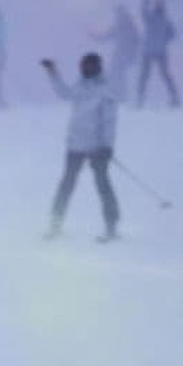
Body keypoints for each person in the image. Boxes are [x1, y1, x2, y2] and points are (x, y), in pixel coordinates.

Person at [41, 53, 120, 242]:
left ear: (97, 67)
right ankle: (55, 224)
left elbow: (109, 122)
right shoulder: (80, 85)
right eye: (82, 66)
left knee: (103, 186)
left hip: (97, 148)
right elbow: (64, 94)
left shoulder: (105, 90)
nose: (84, 69)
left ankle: (111, 226)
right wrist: (53, 73)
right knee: (66, 185)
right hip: (75, 145)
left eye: (88, 66)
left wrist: (107, 146)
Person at [136, 0, 180, 107]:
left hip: (155, 50)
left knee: (158, 75)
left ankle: (174, 97)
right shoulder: (154, 18)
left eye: (161, 5)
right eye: (159, 5)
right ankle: (140, 98)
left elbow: (172, 34)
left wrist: (164, 41)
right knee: (147, 75)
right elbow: (143, 9)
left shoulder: (163, 20)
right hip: (152, 50)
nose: (160, 7)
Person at [90, 3, 140, 102]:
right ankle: (117, 95)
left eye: (117, 14)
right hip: (119, 55)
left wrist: (133, 56)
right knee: (116, 75)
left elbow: (137, 42)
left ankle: (120, 96)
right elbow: (105, 36)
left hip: (123, 56)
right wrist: (94, 35)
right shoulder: (123, 26)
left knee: (118, 76)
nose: (116, 17)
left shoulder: (127, 26)